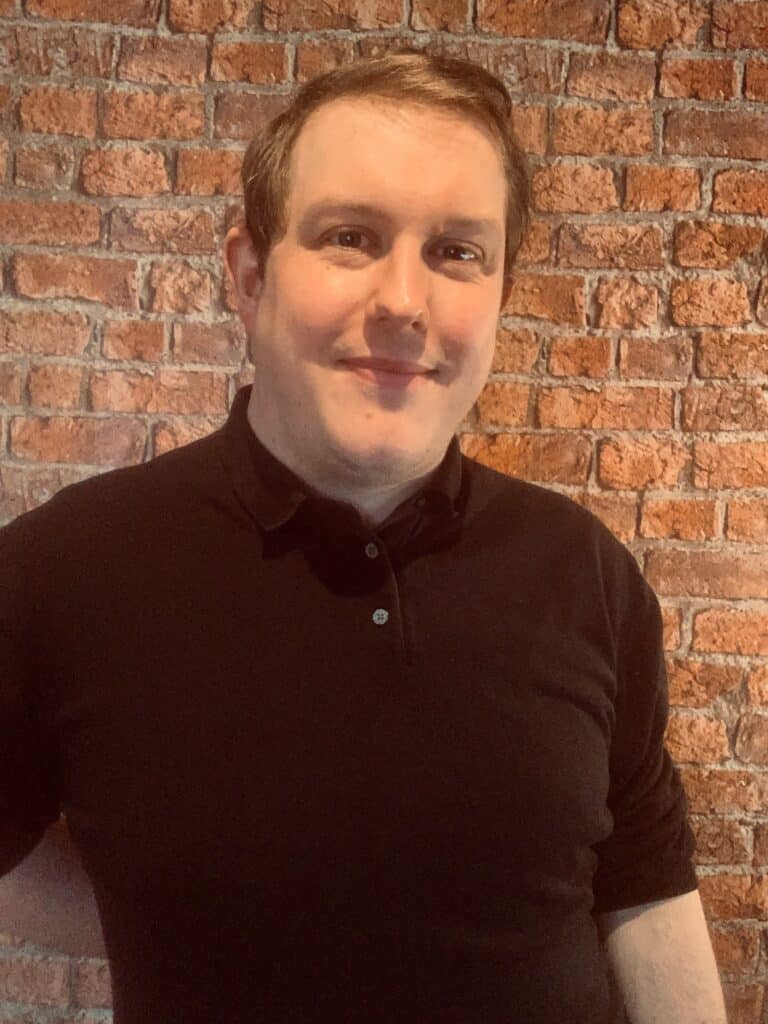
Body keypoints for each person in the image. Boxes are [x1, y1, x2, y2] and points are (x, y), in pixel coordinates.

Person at [0, 49, 702, 1023]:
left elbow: (646, 887)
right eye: (350, 238)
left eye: (458, 252)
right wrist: (152, 909)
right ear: (250, 278)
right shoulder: (62, 573)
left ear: (500, 297)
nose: (405, 301)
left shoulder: (587, 573)